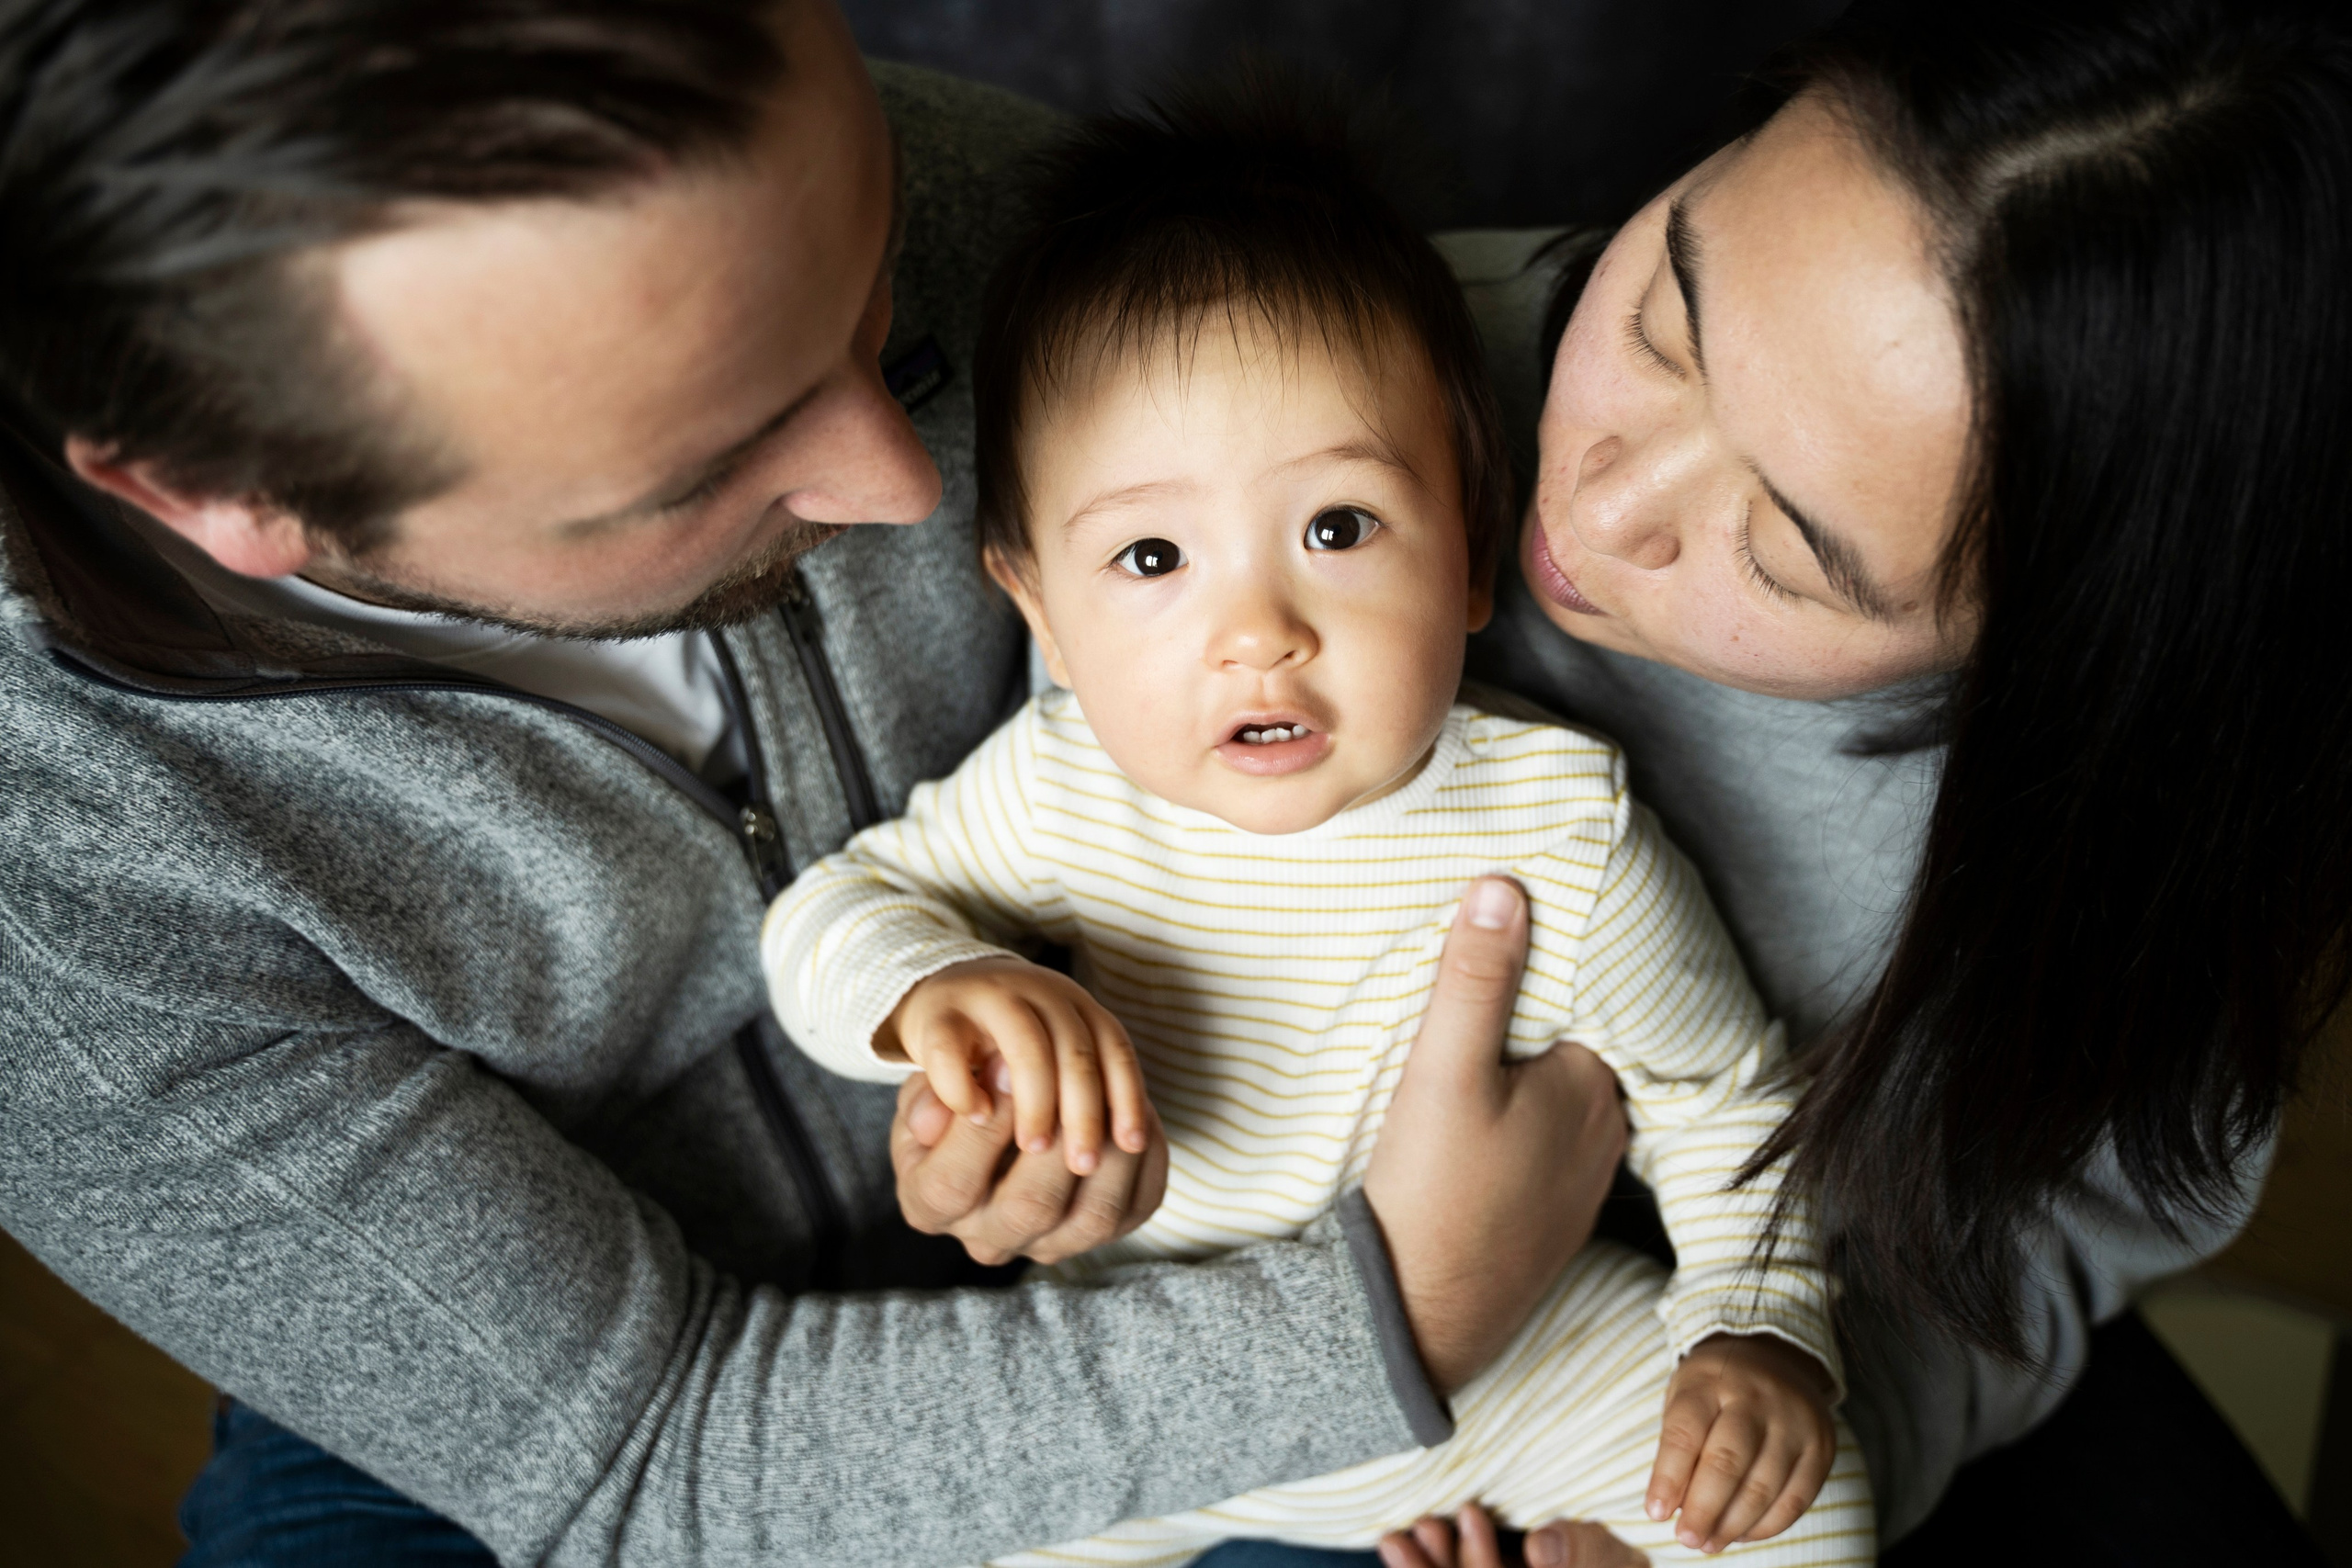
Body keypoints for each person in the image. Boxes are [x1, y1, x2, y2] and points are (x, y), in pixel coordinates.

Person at [0, 3, 1629, 1563]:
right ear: (226, 493)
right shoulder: (57, 881)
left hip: (1214, 1192)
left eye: (880, 313)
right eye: (715, 459)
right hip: (542, 1383)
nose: (904, 478)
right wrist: (1396, 1307)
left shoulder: (966, 187)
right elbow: (651, 1454)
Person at [1171, 0, 2350, 1562]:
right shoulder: (1294, 394)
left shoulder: (2145, 860)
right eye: (1667, 312)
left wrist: (1750, 1488)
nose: (1597, 505)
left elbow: (2060, 1238)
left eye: (1788, 550)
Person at [763, 94, 1872, 1563]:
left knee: (1814, 1505)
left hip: (1518, 1371)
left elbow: (1726, 1103)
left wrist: (1760, 1333)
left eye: (1338, 528)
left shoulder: (1559, 829)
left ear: (1473, 556)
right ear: (1038, 605)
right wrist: (927, 990)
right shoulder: (1059, 784)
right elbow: (826, 915)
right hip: (1150, 1372)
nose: (1256, 633)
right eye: (1152, 557)